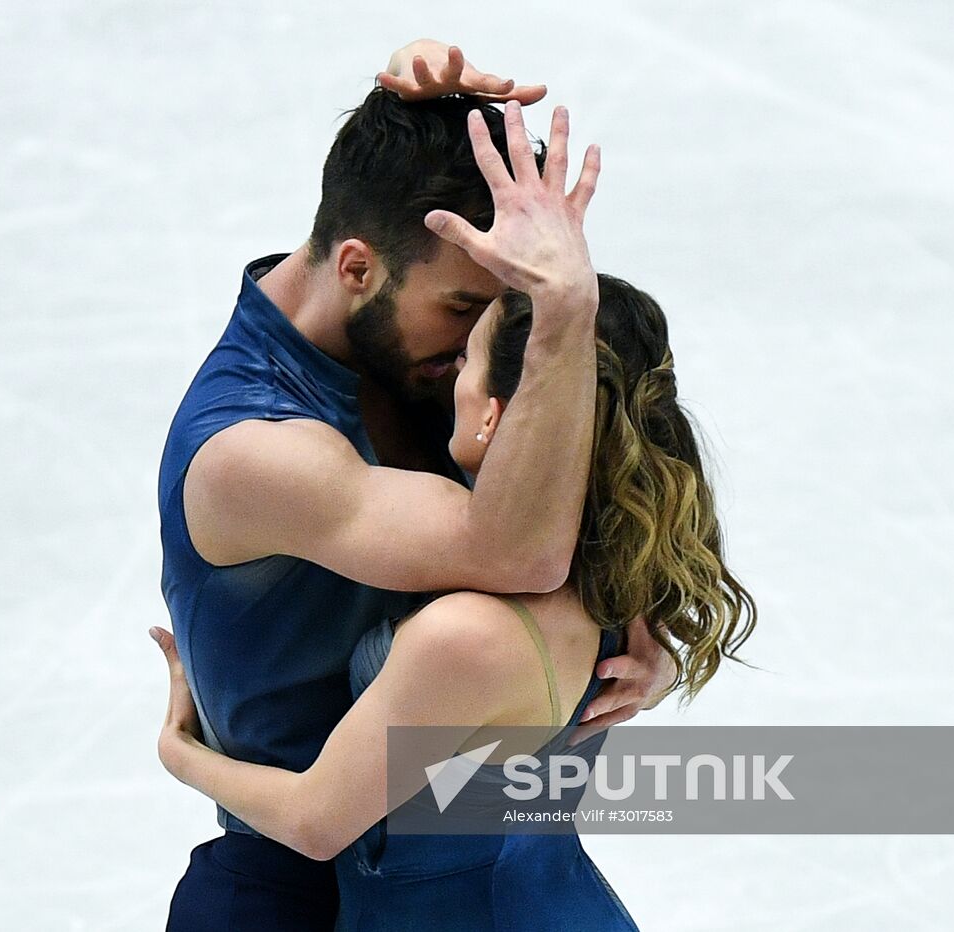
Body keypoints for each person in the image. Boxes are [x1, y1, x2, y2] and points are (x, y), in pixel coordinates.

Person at [155, 40, 674, 931]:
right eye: (469, 311)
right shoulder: (254, 450)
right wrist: (566, 311)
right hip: (290, 899)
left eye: (512, 305)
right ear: (357, 268)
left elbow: (622, 491)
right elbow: (520, 551)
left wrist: (643, 635)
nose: (499, 340)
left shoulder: (433, 355)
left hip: (495, 874)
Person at [152, 270, 758, 930]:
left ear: (497, 413)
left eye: (466, 357)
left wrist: (182, 752)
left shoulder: (464, 636)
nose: (448, 375)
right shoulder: (623, 579)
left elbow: (314, 822)